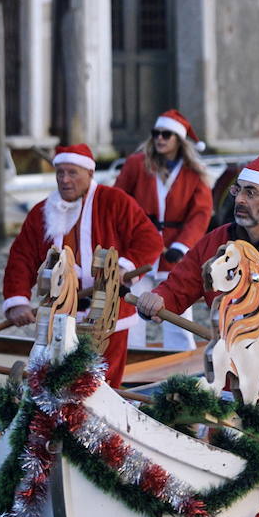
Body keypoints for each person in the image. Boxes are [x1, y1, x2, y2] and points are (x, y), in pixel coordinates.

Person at [3, 145, 161, 386]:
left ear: (90, 173)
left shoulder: (115, 201)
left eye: (72, 173)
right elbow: (21, 258)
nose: (65, 180)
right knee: (56, 382)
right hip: (58, 313)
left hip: (109, 312)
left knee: (104, 382)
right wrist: (17, 301)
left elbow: (149, 239)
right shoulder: (40, 212)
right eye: (60, 173)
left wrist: (123, 267)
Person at [136, 155, 259, 329]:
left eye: (250, 193)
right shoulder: (214, 241)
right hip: (225, 350)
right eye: (237, 190)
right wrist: (159, 299)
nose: (239, 199)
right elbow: (178, 287)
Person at [113, 109, 213, 350]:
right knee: (133, 308)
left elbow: (200, 214)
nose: (159, 138)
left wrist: (182, 246)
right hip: (139, 251)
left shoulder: (194, 172)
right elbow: (118, 202)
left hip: (173, 255)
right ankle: (132, 356)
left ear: (179, 140)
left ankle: (181, 358)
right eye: (156, 133)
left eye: (166, 134)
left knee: (176, 310)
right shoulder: (136, 164)